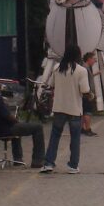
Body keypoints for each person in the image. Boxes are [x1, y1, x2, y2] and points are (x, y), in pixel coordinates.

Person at [40, 44, 91, 174]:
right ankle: (73, 166)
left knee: (55, 136)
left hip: (59, 108)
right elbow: (85, 90)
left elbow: (51, 85)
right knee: (75, 138)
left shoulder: (57, 68)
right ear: (78, 55)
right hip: (74, 109)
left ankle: (49, 163)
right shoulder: (81, 70)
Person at [0, 75, 46, 168]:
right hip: (4, 129)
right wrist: (16, 120)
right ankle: (37, 161)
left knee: (18, 127)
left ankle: (18, 159)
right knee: (37, 127)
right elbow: (7, 116)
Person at [81, 52, 99, 136]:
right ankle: (87, 129)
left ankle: (82, 128)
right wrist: (89, 93)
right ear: (89, 59)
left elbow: (89, 77)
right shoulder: (85, 68)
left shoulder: (85, 67)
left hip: (84, 93)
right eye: (93, 59)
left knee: (82, 112)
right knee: (87, 112)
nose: (94, 61)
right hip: (86, 94)